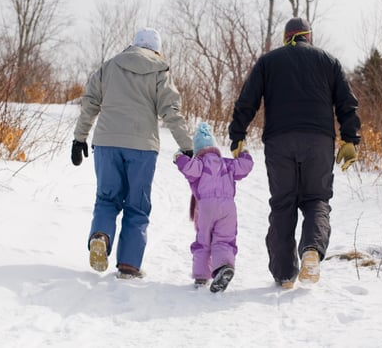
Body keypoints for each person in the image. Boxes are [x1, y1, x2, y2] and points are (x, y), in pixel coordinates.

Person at [228, 17, 361, 289]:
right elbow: (347, 103)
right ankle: (311, 250)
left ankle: (284, 273)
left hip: (280, 141)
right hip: (319, 141)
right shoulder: (329, 61)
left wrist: (237, 135)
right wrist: (350, 139)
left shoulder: (269, 61)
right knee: (316, 199)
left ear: (286, 37)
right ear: (308, 37)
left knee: (283, 203)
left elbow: (247, 100)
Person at [71, 27, 193, 279]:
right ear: (156, 49)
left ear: (134, 44)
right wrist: (187, 145)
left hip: (106, 143)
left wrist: (79, 138)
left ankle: (100, 237)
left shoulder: (110, 66)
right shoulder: (160, 70)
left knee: (107, 199)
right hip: (142, 147)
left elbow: (90, 102)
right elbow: (171, 110)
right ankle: (128, 265)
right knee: (137, 206)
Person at [174, 122, 253, 293]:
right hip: (228, 208)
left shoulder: (200, 163)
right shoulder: (227, 164)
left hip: (207, 207)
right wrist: (244, 153)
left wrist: (179, 156)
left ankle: (201, 276)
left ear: (198, 150)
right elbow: (246, 166)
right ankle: (223, 267)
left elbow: (187, 167)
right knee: (224, 239)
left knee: (203, 240)